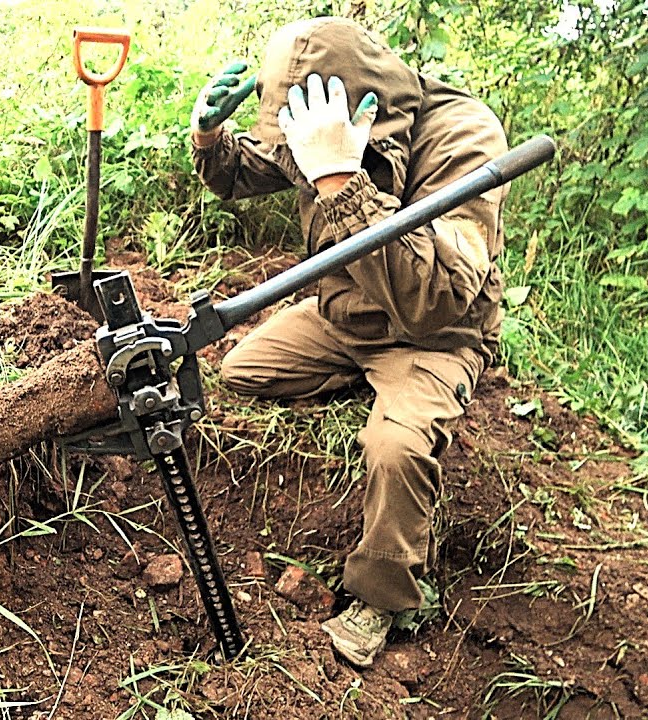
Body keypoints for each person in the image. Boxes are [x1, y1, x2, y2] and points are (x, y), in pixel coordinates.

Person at [188, 17, 509, 667]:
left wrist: (341, 180)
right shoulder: (314, 121)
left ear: (365, 107)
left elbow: (435, 302)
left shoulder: (466, 136)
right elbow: (244, 174)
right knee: (245, 369)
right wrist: (209, 135)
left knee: (395, 448)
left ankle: (381, 598)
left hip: (433, 337)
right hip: (345, 316)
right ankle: (369, 382)